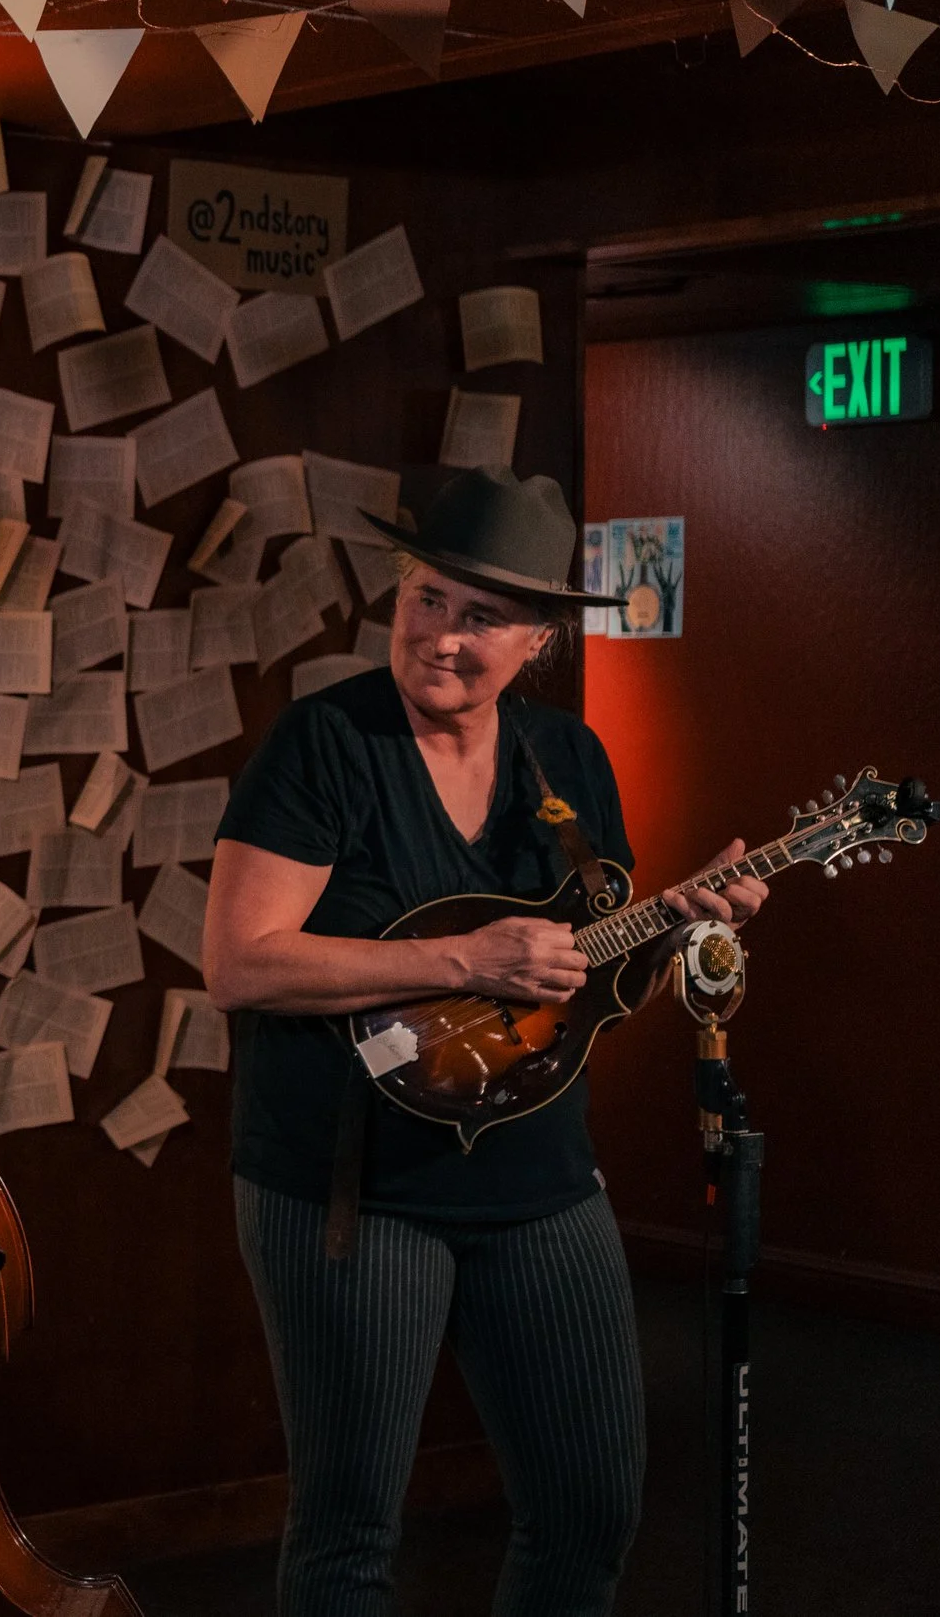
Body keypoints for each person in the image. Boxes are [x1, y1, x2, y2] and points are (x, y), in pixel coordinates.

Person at [202, 467, 767, 1617]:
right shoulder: (327, 744)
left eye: (479, 616)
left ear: (540, 642)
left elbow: (582, 987)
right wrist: (462, 957)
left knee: (589, 1508)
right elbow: (241, 962)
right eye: (425, 599)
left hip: (536, 1178)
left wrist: (680, 921)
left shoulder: (571, 760)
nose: (442, 637)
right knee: (351, 1529)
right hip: (351, 1187)